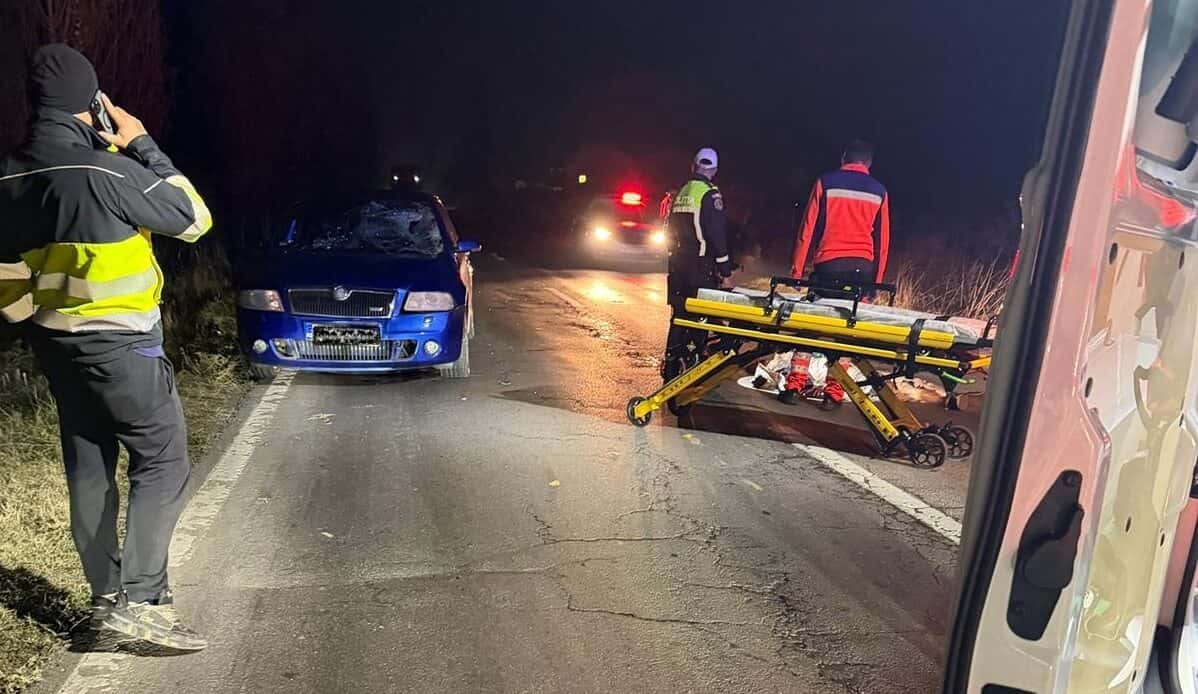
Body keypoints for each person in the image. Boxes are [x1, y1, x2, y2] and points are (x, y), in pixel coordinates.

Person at [0, 45, 213, 650]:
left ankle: (105, 601)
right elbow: (193, 218)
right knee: (163, 460)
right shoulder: (108, 171)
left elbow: (5, 278)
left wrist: (38, 325)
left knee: (89, 468)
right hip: (123, 347)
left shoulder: (8, 178)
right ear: (92, 104)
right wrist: (141, 142)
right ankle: (143, 602)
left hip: (56, 348)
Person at [663, 147, 734, 379]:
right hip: (700, 266)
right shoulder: (710, 194)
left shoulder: (682, 192)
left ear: (693, 166)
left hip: (677, 265)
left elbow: (670, 229)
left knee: (679, 315)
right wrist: (725, 270)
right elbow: (716, 234)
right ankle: (693, 366)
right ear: (715, 170)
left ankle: (671, 363)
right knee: (699, 316)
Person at [792, 139, 891, 289]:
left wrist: (797, 273)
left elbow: (806, 230)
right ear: (869, 163)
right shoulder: (880, 191)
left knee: (821, 301)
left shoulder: (825, 182)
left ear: (843, 158)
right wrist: (876, 284)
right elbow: (883, 241)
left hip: (828, 265)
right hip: (863, 268)